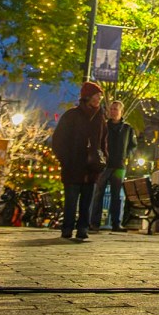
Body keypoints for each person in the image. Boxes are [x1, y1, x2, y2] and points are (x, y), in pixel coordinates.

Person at [51, 81, 108, 241]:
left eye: (100, 96)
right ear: (87, 97)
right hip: (73, 165)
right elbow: (58, 140)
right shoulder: (71, 115)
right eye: (96, 96)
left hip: (92, 167)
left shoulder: (100, 117)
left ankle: (83, 227)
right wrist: (65, 159)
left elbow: (103, 141)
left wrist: (103, 158)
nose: (99, 99)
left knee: (87, 200)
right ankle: (67, 227)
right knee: (71, 199)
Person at [89, 100, 136, 232]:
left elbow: (133, 146)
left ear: (121, 111)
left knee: (117, 195)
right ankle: (94, 223)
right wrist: (100, 157)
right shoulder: (103, 126)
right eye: (111, 109)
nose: (113, 111)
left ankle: (116, 223)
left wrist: (127, 156)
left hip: (119, 166)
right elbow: (96, 143)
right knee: (99, 194)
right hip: (104, 165)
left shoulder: (127, 128)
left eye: (116, 109)